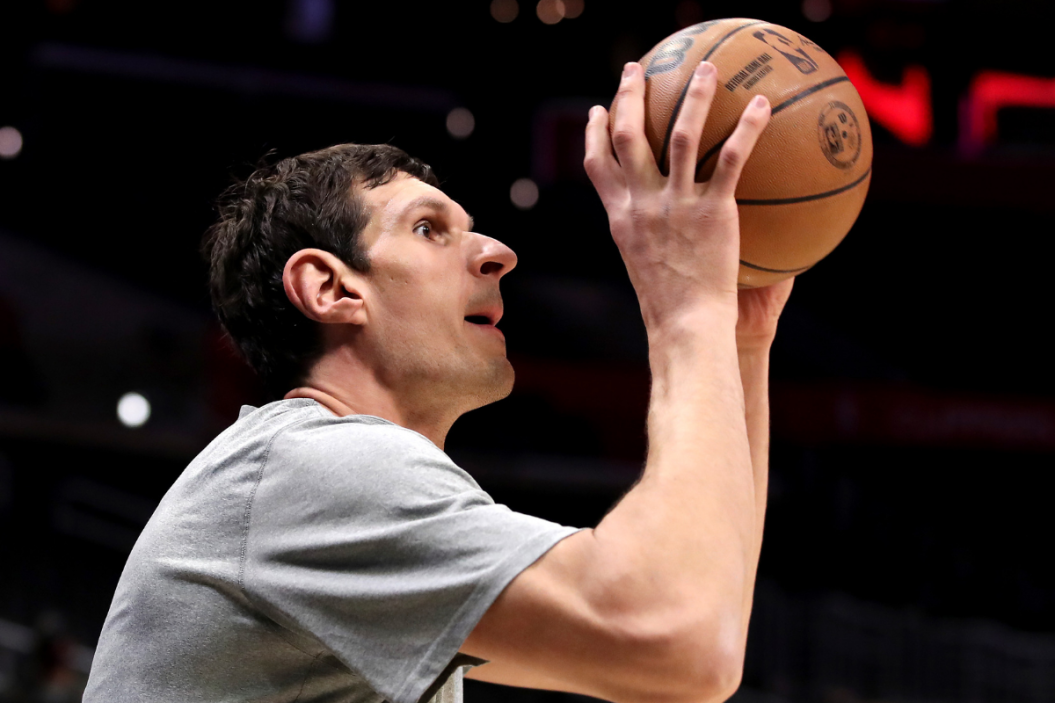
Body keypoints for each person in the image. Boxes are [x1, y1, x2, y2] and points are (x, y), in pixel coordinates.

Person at [84, 59, 793, 703]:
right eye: (430, 229)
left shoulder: (324, 483)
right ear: (330, 287)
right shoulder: (314, 467)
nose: (498, 252)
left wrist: (737, 346)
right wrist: (683, 311)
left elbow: (707, 635)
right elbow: (677, 639)